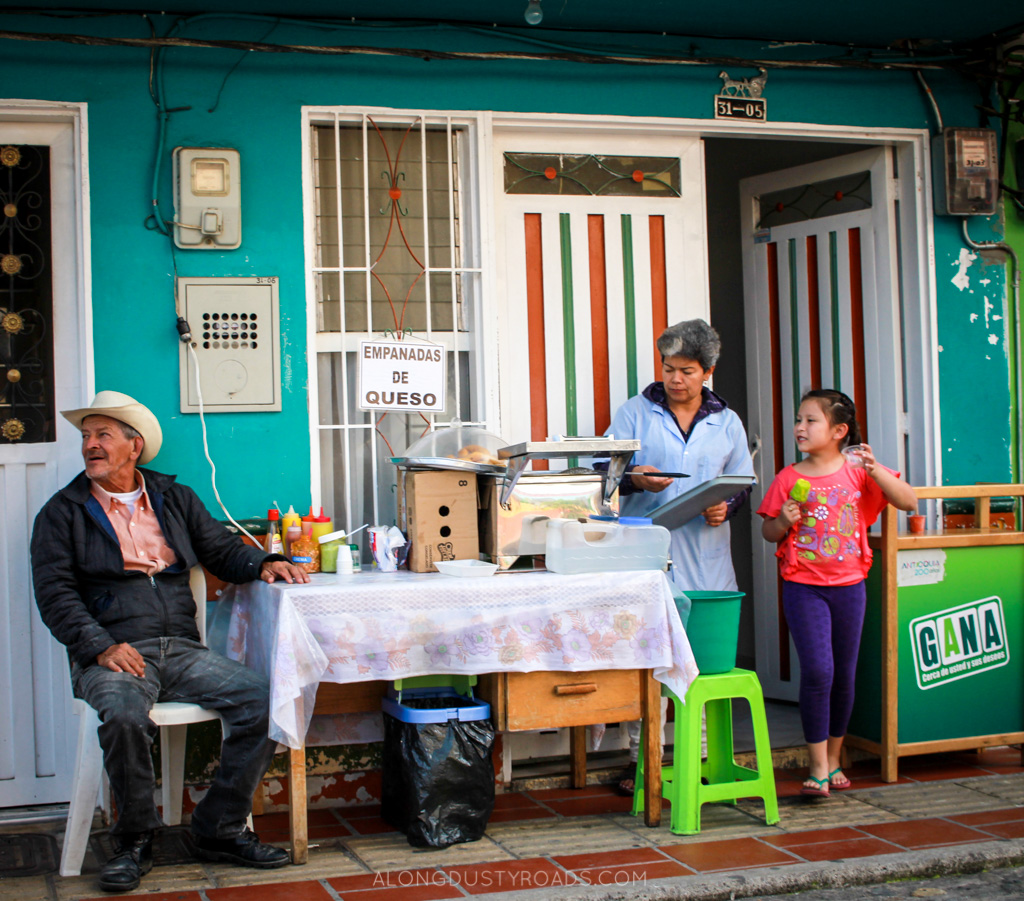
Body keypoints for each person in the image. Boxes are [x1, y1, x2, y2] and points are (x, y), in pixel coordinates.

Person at [30, 391, 310, 893]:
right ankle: (135, 840)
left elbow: (220, 549)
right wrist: (101, 646)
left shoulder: (173, 498)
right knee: (123, 715)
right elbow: (55, 594)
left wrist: (263, 563)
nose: (90, 446)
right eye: (86, 437)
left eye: (102, 436)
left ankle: (217, 828)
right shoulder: (62, 513)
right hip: (113, 651)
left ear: (133, 447)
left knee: (265, 700)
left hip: (180, 647)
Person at [605, 318, 755, 794]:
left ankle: (702, 756)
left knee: (705, 663)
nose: (675, 379)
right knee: (648, 659)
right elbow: (601, 473)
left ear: (707, 371)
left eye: (686, 370)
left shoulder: (726, 421)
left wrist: (723, 507)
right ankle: (641, 760)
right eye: (669, 368)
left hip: (708, 558)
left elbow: (742, 484)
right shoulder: (635, 412)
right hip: (647, 558)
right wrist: (636, 479)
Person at [757, 389, 916, 798]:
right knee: (818, 671)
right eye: (799, 419)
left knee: (844, 674)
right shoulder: (789, 478)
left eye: (811, 420)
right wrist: (782, 520)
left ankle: (834, 757)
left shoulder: (859, 473)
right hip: (803, 587)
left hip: (850, 587)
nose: (800, 427)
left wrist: (876, 469)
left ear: (839, 430)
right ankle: (816, 765)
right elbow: (767, 533)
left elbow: (908, 501)